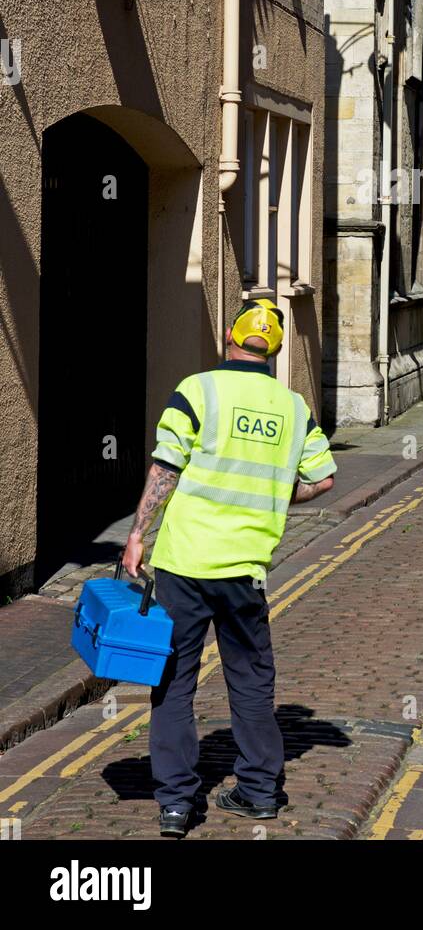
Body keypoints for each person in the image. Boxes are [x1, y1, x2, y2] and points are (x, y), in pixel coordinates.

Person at [122, 298, 336, 838]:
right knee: (251, 682)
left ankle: (176, 804)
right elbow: (323, 479)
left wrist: (137, 534)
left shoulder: (198, 390)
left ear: (230, 338)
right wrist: (274, 493)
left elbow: (166, 467)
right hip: (245, 571)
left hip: (184, 564)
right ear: (277, 352)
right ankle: (260, 792)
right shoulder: (293, 408)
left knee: (173, 683)